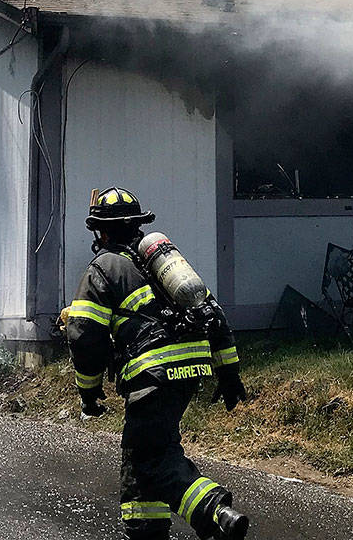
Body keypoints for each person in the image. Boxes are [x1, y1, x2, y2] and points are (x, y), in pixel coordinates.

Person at [66, 187, 249, 540]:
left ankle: (216, 514)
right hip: (189, 370)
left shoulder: (103, 268)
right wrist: (228, 373)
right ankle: (147, 529)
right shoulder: (166, 264)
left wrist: (88, 392)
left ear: (100, 231)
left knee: (153, 460)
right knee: (144, 453)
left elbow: (84, 335)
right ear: (137, 225)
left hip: (152, 375)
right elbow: (215, 316)